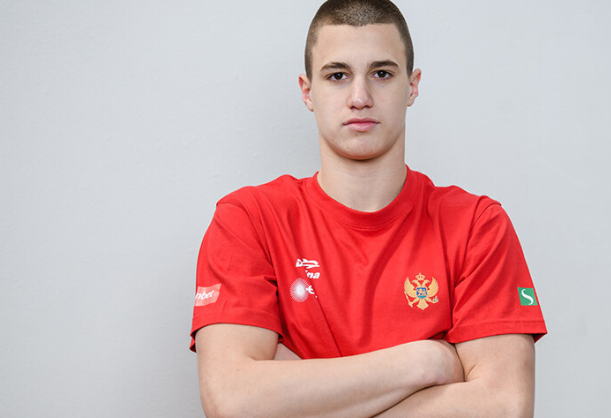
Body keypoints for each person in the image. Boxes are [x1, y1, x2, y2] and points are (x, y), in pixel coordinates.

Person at [190, 0, 547, 416]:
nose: (360, 98)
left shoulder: (476, 225)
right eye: (337, 76)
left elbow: (505, 407)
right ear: (307, 91)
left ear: (412, 86)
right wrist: (424, 362)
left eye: (381, 74)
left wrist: (300, 399)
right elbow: (233, 402)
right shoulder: (249, 220)